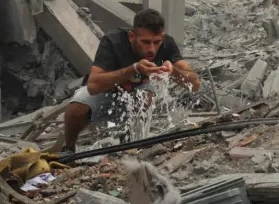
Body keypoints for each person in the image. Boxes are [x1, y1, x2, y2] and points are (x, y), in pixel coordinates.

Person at [59, 8, 200, 150]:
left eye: (156, 42)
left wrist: (173, 71)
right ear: (132, 36)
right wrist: (134, 69)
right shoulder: (113, 41)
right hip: (108, 90)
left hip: (138, 92)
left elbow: (195, 84)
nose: (152, 49)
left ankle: (132, 145)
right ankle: (69, 150)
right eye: (145, 42)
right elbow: (93, 85)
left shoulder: (167, 44)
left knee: (146, 96)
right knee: (76, 108)